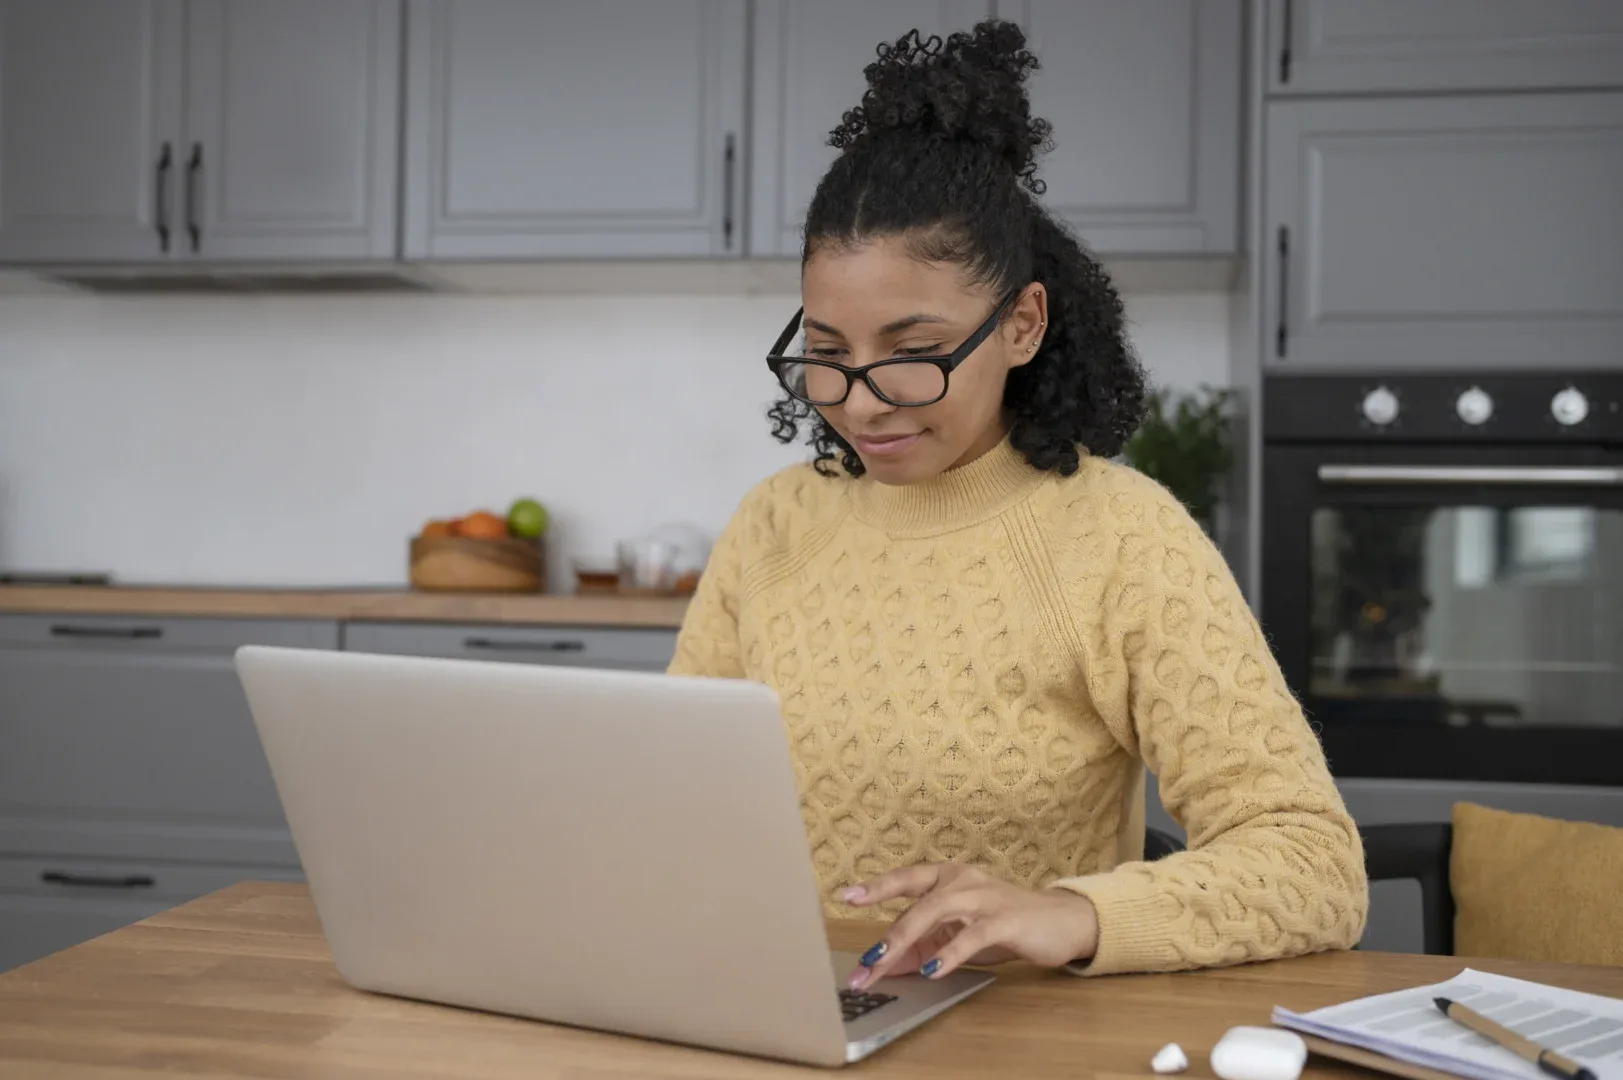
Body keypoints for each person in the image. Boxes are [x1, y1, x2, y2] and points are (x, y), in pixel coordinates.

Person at [668, 20, 1367, 985]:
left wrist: (1076, 912)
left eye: (912, 354)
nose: (861, 404)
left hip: (1021, 1025)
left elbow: (1312, 865)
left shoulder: (1121, 536)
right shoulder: (774, 522)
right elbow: (669, 796)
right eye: (826, 356)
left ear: (1022, 324)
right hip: (776, 1003)